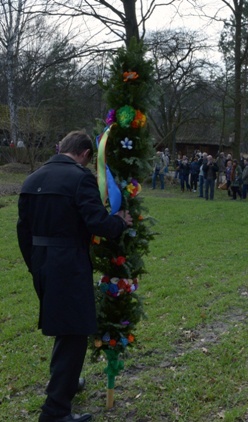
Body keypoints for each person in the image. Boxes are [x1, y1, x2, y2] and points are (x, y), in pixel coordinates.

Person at [17, 131, 133, 422]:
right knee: (74, 333)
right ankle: (55, 411)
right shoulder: (80, 179)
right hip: (68, 264)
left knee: (65, 328)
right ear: (83, 153)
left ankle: (66, 384)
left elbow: (22, 231)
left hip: (42, 263)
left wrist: (35, 265)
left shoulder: (32, 179)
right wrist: (119, 222)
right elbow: (97, 222)